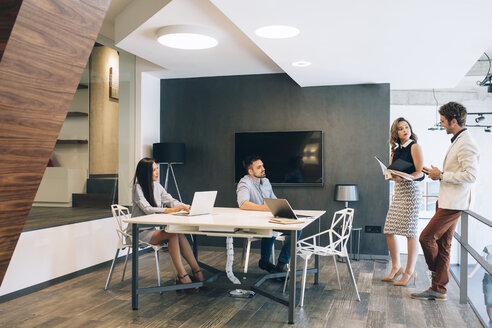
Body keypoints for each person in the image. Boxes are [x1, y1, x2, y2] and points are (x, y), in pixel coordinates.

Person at [412, 101, 480, 301]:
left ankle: (436, 275)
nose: (441, 125)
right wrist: (436, 173)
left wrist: (440, 175)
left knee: (425, 238)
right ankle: (439, 288)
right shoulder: (459, 140)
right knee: (444, 246)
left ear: (453, 121)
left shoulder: (467, 143)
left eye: (443, 121)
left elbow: (471, 176)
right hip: (447, 200)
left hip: (454, 204)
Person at [131, 157, 204, 290]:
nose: (157, 172)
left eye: (157, 168)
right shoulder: (137, 188)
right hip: (139, 232)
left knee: (178, 233)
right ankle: (182, 275)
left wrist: (187, 207)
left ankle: (196, 271)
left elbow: (171, 200)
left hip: (152, 230)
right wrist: (171, 210)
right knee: (172, 235)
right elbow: (148, 209)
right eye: (153, 170)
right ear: (145, 173)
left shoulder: (157, 186)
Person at [236, 155, 297, 273]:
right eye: (259, 167)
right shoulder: (244, 182)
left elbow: (273, 200)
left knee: (296, 229)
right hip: (254, 223)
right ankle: (264, 261)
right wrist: (266, 208)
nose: (263, 168)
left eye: (262, 165)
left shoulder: (266, 181)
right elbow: (243, 204)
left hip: (268, 220)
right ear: (250, 171)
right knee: (271, 229)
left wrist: (282, 208)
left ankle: (282, 263)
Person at [381, 118, 424, 286]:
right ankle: (396, 267)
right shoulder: (395, 150)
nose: (405, 130)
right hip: (399, 193)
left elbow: (420, 172)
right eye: (400, 128)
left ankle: (409, 272)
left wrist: (408, 177)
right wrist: (392, 176)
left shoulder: (415, 147)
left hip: (411, 193)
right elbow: (393, 172)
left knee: (410, 233)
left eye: (407, 127)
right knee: (389, 230)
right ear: (396, 133)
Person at [468, 245, 492, 325]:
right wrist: (471, 274)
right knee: (489, 302)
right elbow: (480, 261)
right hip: (489, 277)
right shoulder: (488, 248)